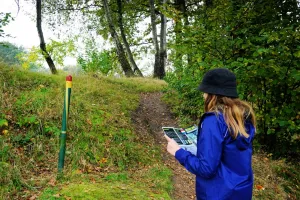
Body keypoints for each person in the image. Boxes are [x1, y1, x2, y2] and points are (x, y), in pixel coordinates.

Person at [164, 68, 256, 200]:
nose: (203, 96)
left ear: (213, 95)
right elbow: (230, 153)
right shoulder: (243, 116)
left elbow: (206, 169)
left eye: (205, 92)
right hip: (242, 190)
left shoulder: (214, 120)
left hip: (218, 193)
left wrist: (178, 152)